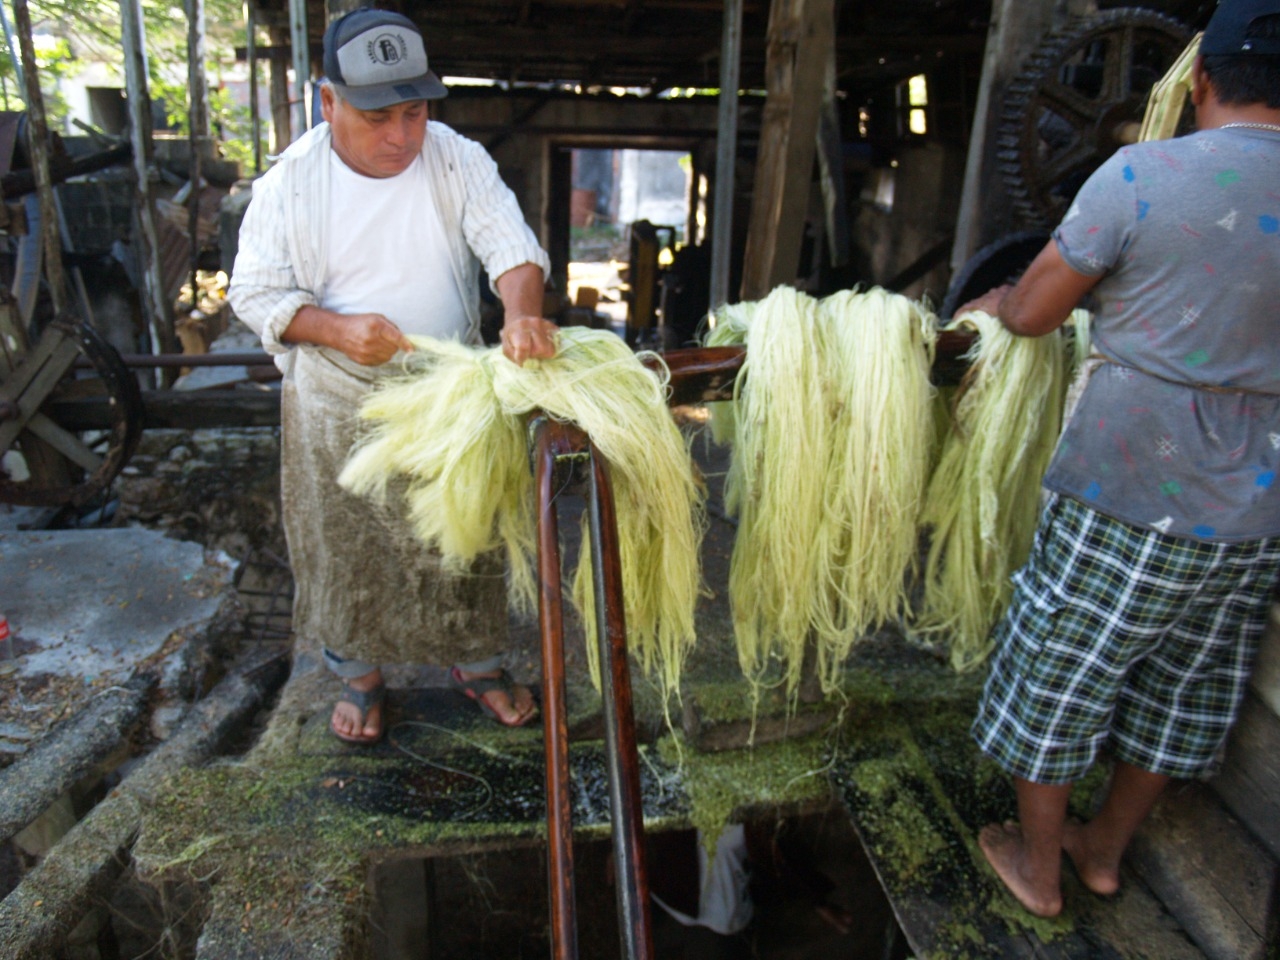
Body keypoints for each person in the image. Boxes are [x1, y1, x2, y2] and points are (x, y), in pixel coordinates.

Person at [962, 0, 1280, 919]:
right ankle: (1105, 851)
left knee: (1057, 671)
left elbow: (1030, 313)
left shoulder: (1142, 174)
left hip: (1129, 487)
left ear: (1204, 79)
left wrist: (996, 303)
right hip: (1258, 510)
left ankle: (1040, 865)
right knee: (1188, 685)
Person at [228, 7, 559, 744]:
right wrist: (338, 330)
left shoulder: (455, 157)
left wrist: (521, 315)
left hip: (449, 391)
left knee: (465, 537)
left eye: (415, 112)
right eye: (378, 117)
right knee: (349, 545)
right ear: (328, 102)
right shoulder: (291, 183)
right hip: (336, 398)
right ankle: (360, 677)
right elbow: (253, 292)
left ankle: (475, 664)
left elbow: (512, 247)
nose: (401, 137)